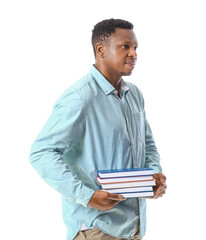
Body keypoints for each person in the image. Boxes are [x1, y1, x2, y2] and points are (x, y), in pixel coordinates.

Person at [30, 18, 167, 240]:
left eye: (135, 47)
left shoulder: (135, 95)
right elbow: (41, 153)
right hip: (97, 229)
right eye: (125, 46)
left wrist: (152, 174)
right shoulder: (79, 98)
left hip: (134, 227)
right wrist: (86, 196)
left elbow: (147, 144)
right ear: (101, 49)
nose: (133, 53)